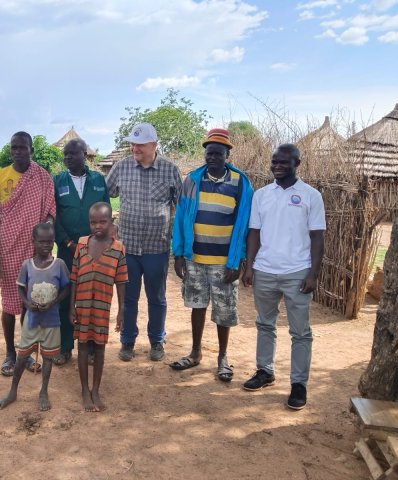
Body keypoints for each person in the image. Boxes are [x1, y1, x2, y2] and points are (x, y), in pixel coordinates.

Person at [242, 143, 325, 410]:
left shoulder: (311, 196)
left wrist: (313, 273)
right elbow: (254, 232)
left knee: (300, 332)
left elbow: (317, 236)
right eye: (274, 161)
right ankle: (265, 371)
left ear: (296, 164)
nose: (277, 165)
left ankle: (298, 384)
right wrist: (250, 266)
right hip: (265, 270)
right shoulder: (261, 195)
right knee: (265, 324)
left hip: (297, 272)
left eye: (283, 162)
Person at [170, 128, 253, 382]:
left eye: (218, 153)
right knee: (197, 306)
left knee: (224, 311)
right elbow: (181, 217)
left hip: (223, 262)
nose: (212, 157)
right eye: (209, 152)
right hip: (195, 258)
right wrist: (179, 255)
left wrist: (238, 260)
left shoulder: (241, 183)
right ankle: (195, 353)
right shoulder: (192, 180)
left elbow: (244, 224)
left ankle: (223, 357)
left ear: (227, 154)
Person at [106, 122, 182, 361]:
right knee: (128, 298)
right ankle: (127, 341)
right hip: (126, 247)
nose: (134, 148)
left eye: (139, 144)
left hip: (156, 247)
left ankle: (157, 342)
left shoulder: (170, 170)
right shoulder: (121, 167)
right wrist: (108, 224)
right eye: (132, 143)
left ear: (154, 145)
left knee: (156, 297)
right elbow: (104, 194)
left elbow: (181, 206)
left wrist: (180, 242)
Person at [0, 132, 56, 376]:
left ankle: (25, 352)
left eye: (23, 148)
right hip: (7, 250)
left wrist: (42, 238)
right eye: (14, 148)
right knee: (8, 305)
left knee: (30, 303)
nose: (18, 152)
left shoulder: (42, 177)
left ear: (31, 149)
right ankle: (9, 353)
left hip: (34, 252)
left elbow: (49, 213)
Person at [0, 223, 70, 411]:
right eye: (42, 242)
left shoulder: (59, 265)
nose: (46, 245)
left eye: (50, 242)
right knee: (21, 357)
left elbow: (67, 287)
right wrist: (27, 305)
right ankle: (13, 390)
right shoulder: (27, 265)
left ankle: (43, 391)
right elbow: (20, 287)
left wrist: (54, 302)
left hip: (52, 320)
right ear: (33, 242)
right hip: (32, 319)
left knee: (48, 358)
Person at [53, 138, 110, 366]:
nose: (67, 158)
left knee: (92, 298)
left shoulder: (98, 179)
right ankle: (65, 348)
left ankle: (92, 347)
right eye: (65, 155)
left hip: (95, 250)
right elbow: (53, 215)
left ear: (84, 155)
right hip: (67, 250)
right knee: (65, 298)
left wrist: (99, 242)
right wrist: (68, 243)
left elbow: (105, 211)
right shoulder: (57, 180)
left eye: (72, 154)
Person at [70, 202, 127, 412]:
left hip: (103, 308)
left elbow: (121, 282)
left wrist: (122, 310)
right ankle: (85, 390)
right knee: (83, 347)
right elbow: (74, 278)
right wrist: (71, 307)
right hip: (82, 307)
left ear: (111, 222)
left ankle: (96, 390)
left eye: (103, 221)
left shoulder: (118, 249)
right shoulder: (82, 245)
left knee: (100, 349)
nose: (98, 226)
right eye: (93, 222)